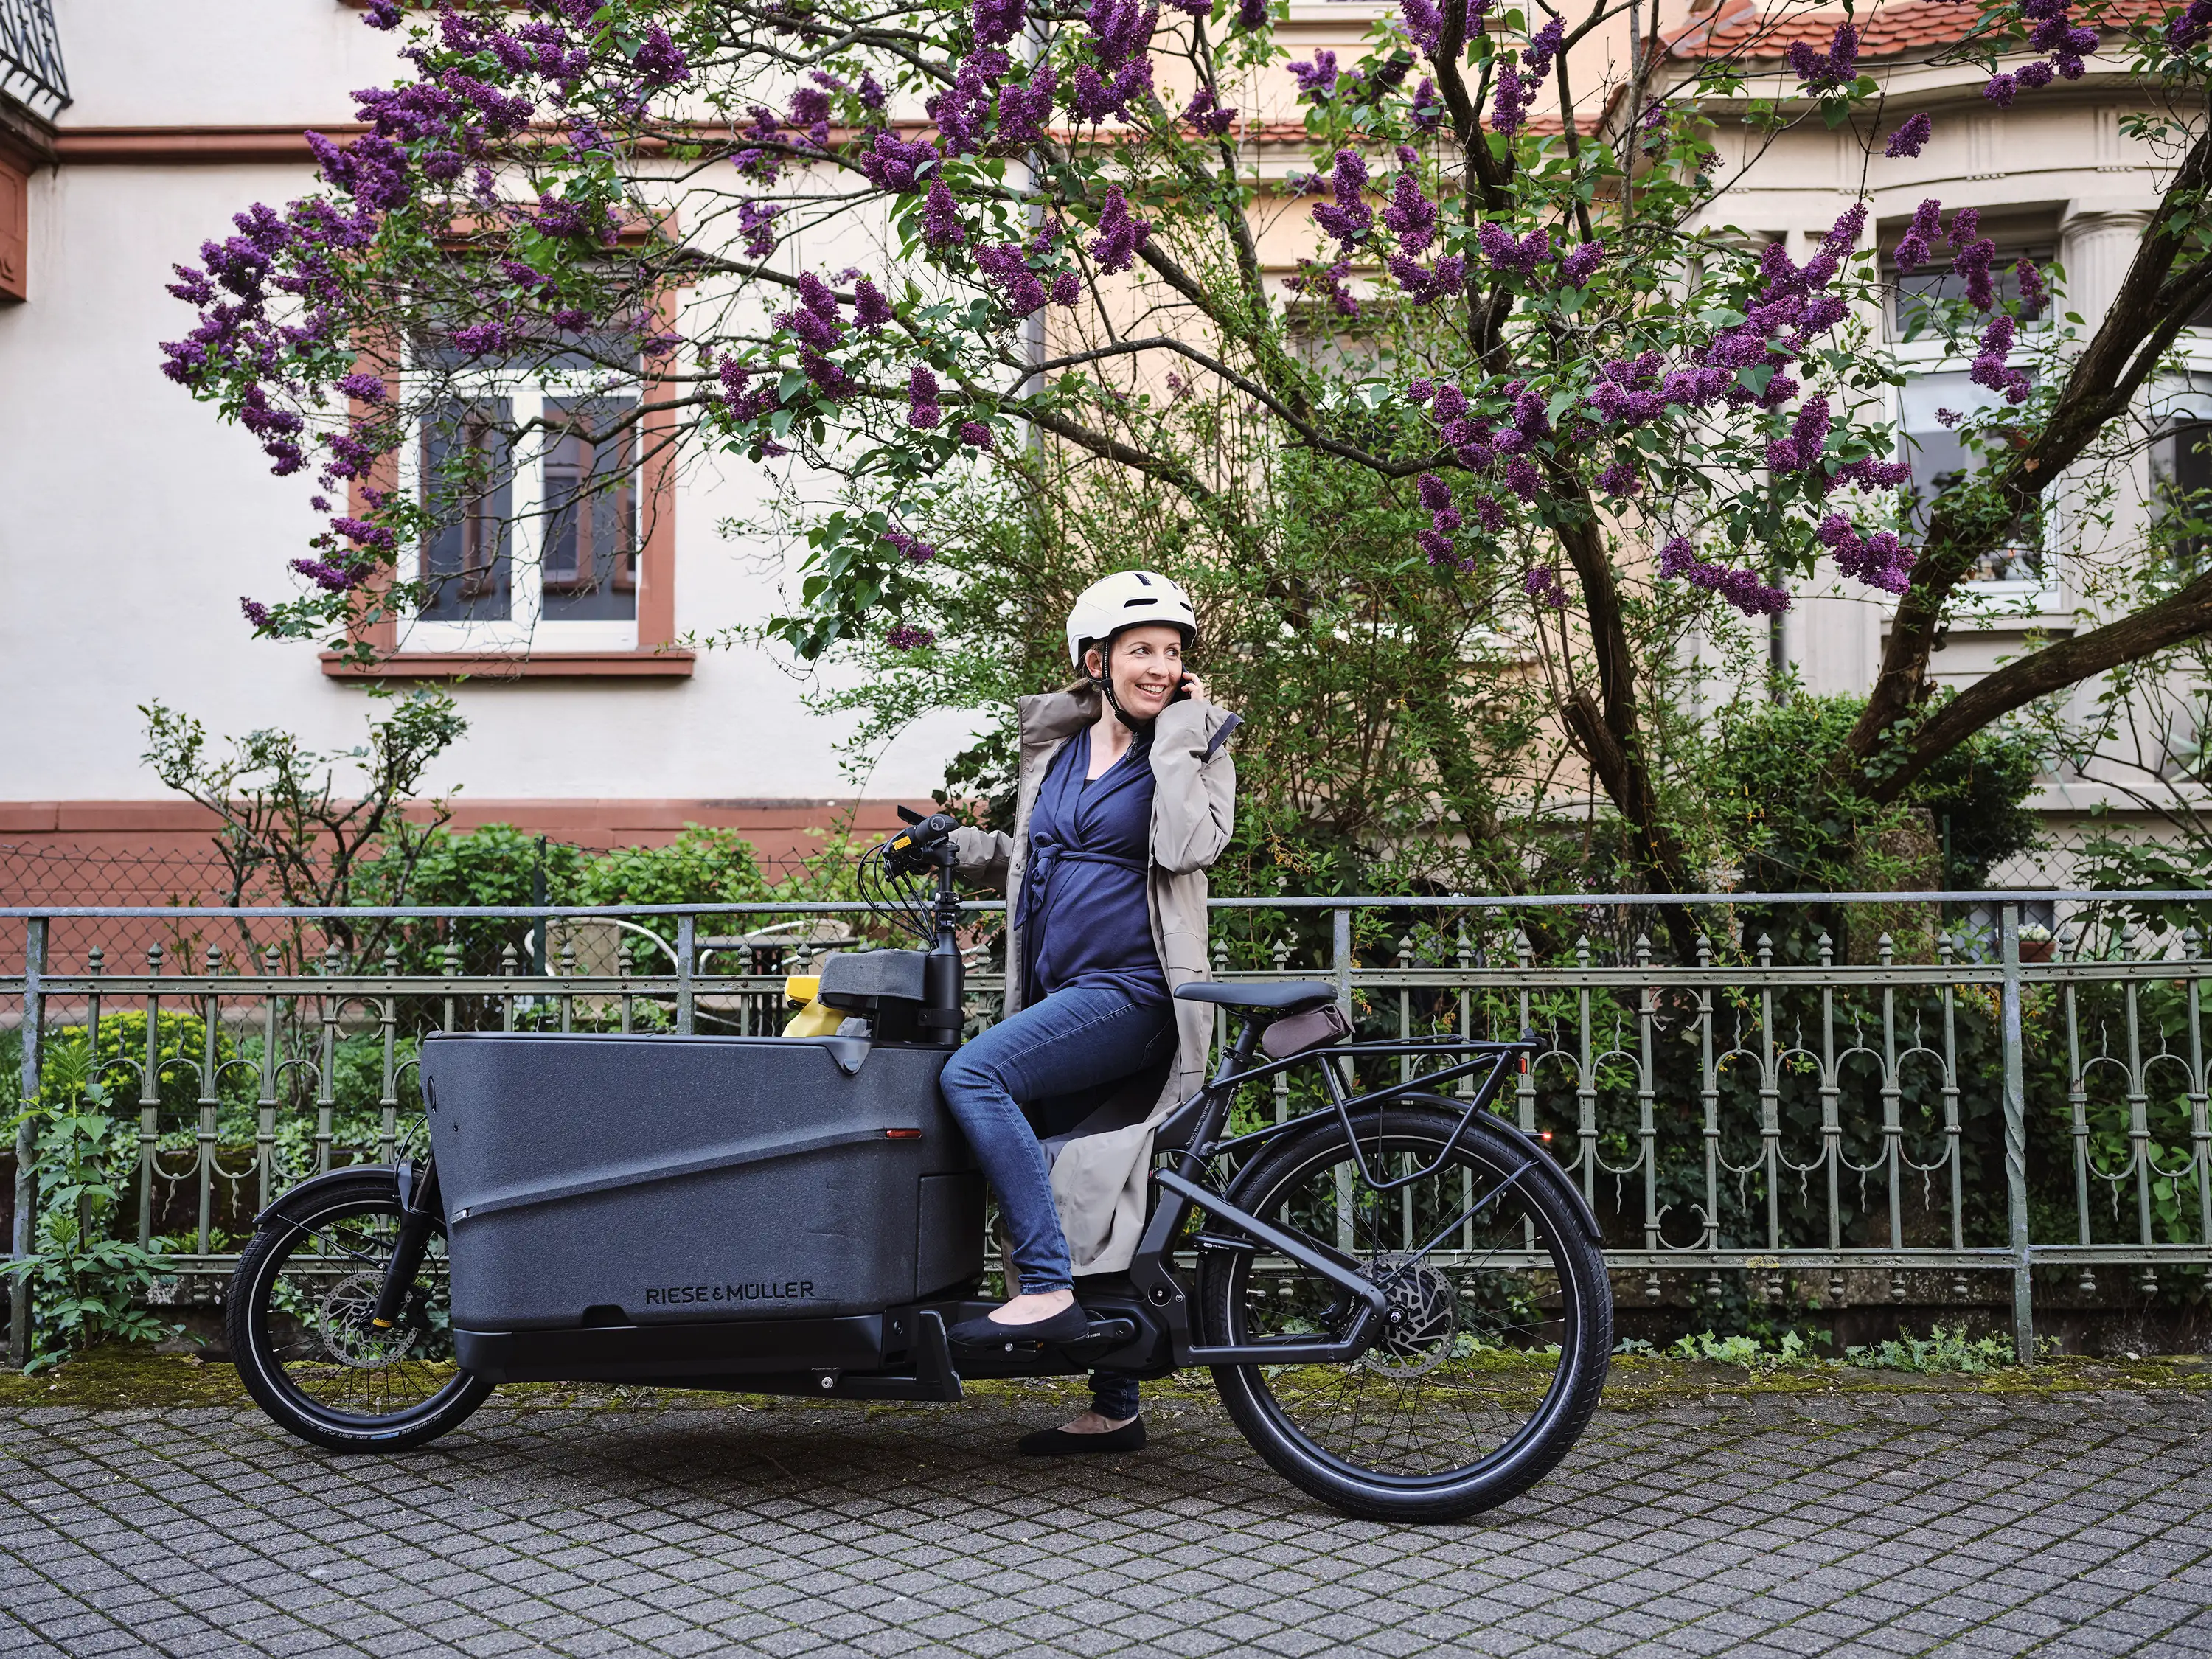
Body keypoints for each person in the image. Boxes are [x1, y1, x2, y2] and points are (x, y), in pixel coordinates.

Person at [939, 571, 1239, 1456]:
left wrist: (1183, 733)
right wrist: (958, 847)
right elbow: (1046, 852)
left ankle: (1045, 1287)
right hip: (1064, 995)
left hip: (1137, 993)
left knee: (975, 1075)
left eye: (1172, 653)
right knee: (1088, 1174)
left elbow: (1187, 845)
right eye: (1142, 650)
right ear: (1095, 660)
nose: (1160, 667)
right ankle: (1116, 1404)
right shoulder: (1062, 752)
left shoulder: (1194, 746)